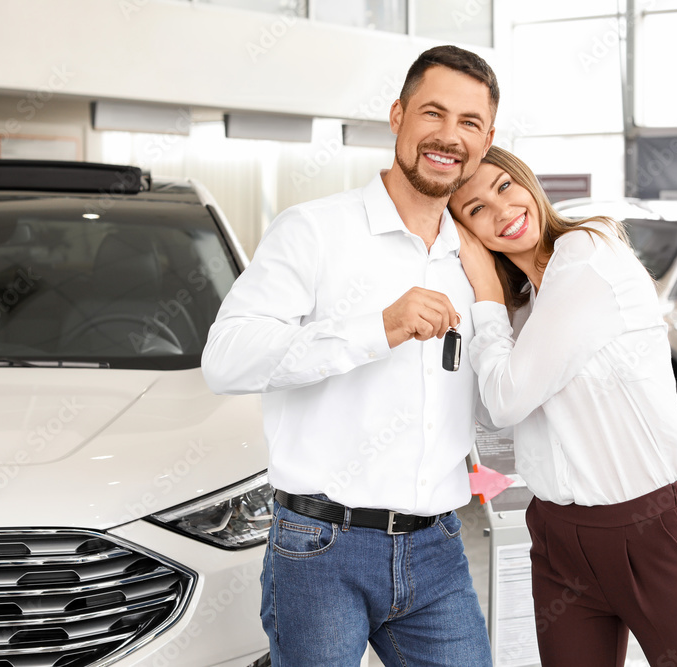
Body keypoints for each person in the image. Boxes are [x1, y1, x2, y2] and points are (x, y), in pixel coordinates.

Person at [202, 45, 497, 667]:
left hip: (437, 546)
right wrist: (376, 327)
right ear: (397, 116)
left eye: (469, 123)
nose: (449, 136)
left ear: (487, 137)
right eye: (432, 114)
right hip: (319, 547)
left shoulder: (475, 261)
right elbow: (225, 359)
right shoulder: (313, 231)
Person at [447, 146, 677, 667]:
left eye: (504, 187)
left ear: (528, 183)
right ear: (467, 235)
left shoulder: (586, 253)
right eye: (475, 210)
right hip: (558, 540)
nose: (502, 211)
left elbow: (507, 397)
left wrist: (486, 296)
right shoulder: (523, 311)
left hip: (651, 531)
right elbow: (492, 425)